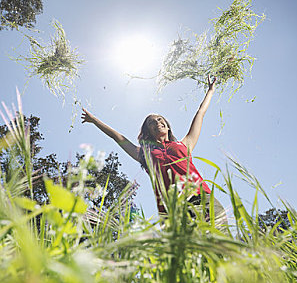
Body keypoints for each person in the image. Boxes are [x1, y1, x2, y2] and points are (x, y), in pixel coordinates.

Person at [81, 75, 227, 224]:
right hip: (173, 208)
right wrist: (94, 121)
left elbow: (200, 113)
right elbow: (118, 138)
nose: (157, 122)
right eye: (152, 122)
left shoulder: (185, 144)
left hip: (201, 196)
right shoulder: (144, 154)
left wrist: (210, 90)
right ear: (148, 131)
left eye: (160, 119)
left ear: (167, 126)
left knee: (221, 241)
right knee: (190, 246)